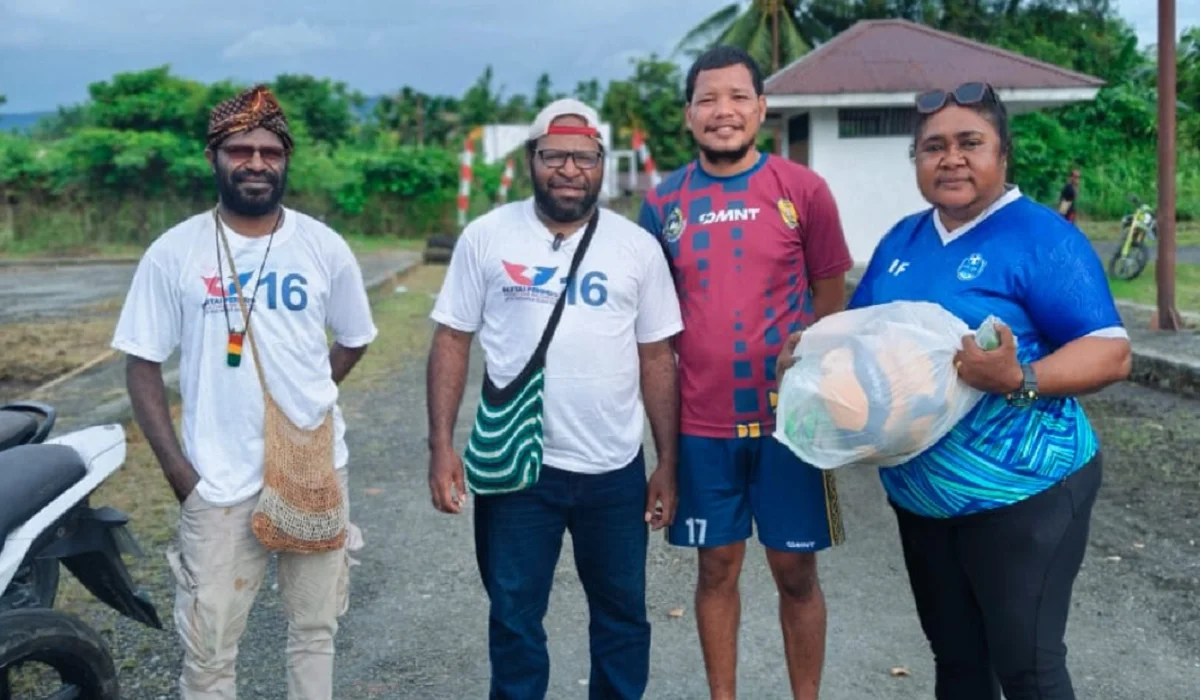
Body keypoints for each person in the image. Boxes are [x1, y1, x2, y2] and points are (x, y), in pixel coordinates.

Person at [782, 81, 1131, 700]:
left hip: (1026, 494)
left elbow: (1111, 351)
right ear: (915, 160)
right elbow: (863, 342)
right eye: (933, 147)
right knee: (959, 662)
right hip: (923, 501)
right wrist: (814, 357)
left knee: (1026, 666)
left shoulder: (1042, 238)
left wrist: (1021, 377)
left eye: (971, 142)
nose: (951, 158)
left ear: (1003, 154)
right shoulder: (902, 242)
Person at [110, 84, 378, 700]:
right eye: (240, 150)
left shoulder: (322, 246)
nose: (255, 162)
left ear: (285, 161)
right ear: (214, 157)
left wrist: (307, 402)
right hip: (216, 482)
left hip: (313, 472)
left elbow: (356, 337)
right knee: (208, 651)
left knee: (314, 631)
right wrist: (182, 475)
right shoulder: (173, 252)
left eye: (269, 151)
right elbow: (142, 365)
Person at [425, 98, 683, 700]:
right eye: (555, 155)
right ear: (531, 160)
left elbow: (656, 358)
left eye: (584, 157)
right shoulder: (487, 237)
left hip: (614, 470)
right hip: (519, 472)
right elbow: (452, 339)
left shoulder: (637, 248)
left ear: (602, 164)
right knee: (514, 620)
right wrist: (441, 447)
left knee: (622, 620)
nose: (569, 169)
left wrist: (667, 462)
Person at [637, 46, 853, 700]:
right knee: (715, 573)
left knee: (795, 574)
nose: (722, 112)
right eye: (708, 99)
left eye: (737, 97)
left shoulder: (802, 191)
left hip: (791, 427)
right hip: (703, 428)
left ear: (761, 108)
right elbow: (653, 332)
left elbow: (829, 297)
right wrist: (665, 458)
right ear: (689, 115)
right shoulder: (662, 203)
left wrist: (811, 381)